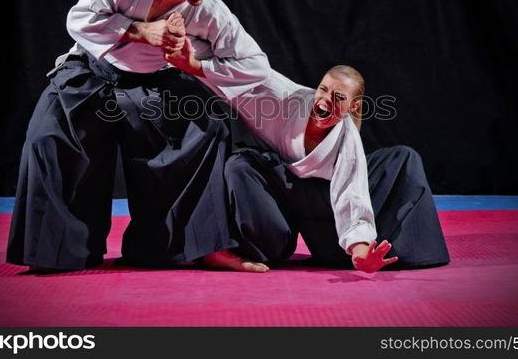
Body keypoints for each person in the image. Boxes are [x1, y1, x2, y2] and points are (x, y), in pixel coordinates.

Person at [6, 0, 271, 273]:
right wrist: (142, 32)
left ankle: (189, 247)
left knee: (208, 130)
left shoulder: (210, 10)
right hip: (92, 71)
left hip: (154, 87)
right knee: (45, 137)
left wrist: (193, 63)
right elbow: (79, 18)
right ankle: (56, 253)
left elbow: (256, 65)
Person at [168, 37, 450, 272]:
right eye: (324, 90)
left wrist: (360, 251)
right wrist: (189, 61)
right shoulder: (284, 99)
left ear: (352, 107)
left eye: (339, 98)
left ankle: (394, 250)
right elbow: (241, 82)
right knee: (240, 165)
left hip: (324, 207)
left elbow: (352, 196)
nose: (326, 100)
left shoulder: (346, 140)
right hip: (286, 191)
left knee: (403, 158)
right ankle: (261, 245)